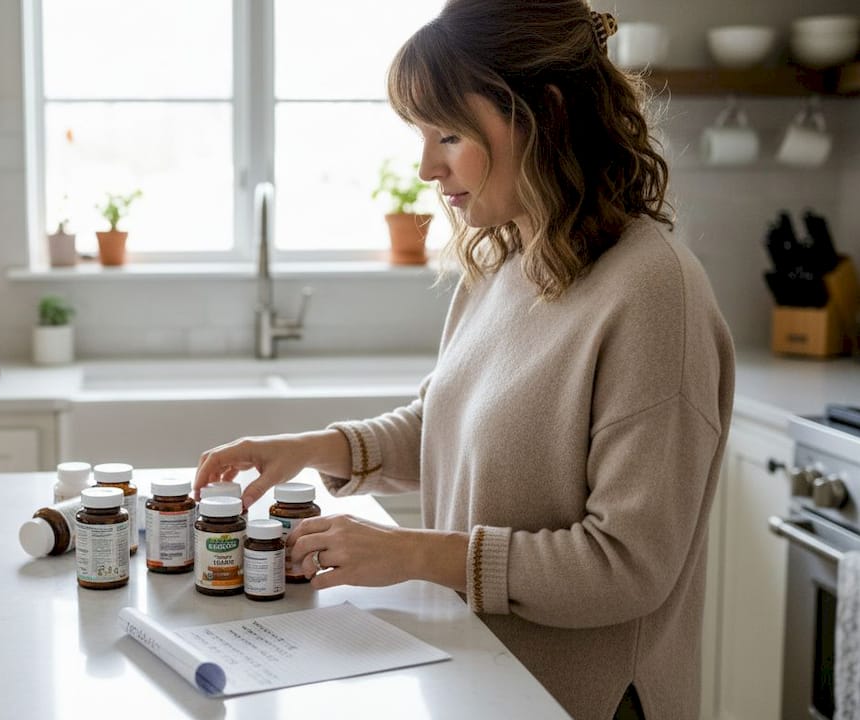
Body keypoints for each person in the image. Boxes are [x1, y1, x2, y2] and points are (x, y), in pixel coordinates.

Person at [193, 2, 734, 719]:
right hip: (481, 677)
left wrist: (411, 554)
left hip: (582, 701)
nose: (424, 167)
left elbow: (625, 568)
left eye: (447, 133)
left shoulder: (653, 290)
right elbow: (455, 423)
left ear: (545, 114)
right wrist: (314, 448)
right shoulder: (508, 256)